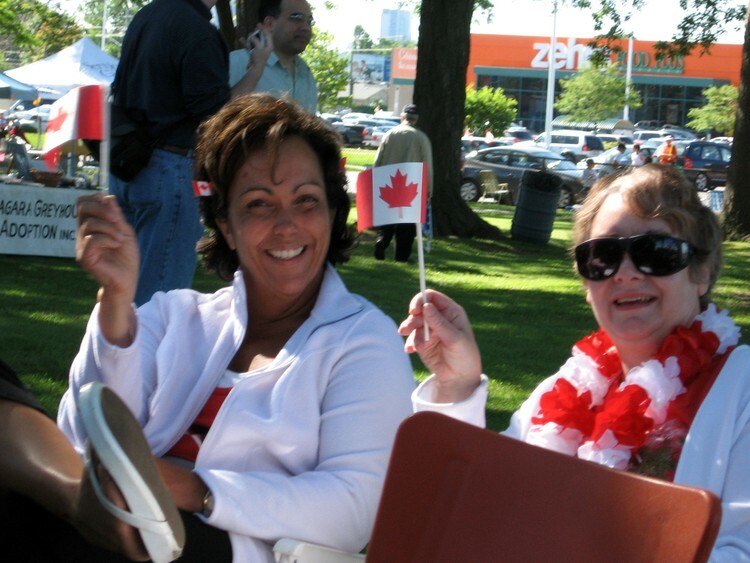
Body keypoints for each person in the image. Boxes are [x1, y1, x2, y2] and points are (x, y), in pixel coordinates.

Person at [2, 94, 415, 562]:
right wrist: (115, 301)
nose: (287, 225)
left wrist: (193, 489)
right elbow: (80, 440)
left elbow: (353, 509)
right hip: (118, 527)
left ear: (332, 212)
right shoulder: (176, 317)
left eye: (306, 201)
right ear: (226, 225)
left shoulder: (363, 342)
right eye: (259, 204)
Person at [400, 164, 750, 559]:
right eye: (603, 257)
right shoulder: (563, 390)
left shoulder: (742, 390)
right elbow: (473, 508)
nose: (626, 273)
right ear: (586, 284)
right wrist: (457, 382)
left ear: (701, 271)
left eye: (656, 252)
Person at [110, 0, 231, 306]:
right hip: (170, 171)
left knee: (122, 297)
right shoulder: (198, 31)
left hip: (129, 167)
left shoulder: (147, 16)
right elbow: (215, 116)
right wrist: (256, 68)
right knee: (159, 304)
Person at [229, 0, 317, 113]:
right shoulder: (236, 62)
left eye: (309, 21)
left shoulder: (306, 73)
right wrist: (254, 71)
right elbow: (216, 117)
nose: (306, 27)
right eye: (296, 18)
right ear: (269, 23)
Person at [373, 104, 434, 262]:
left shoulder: (389, 134)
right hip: (411, 182)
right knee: (407, 224)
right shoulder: (421, 138)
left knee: (387, 219)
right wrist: (428, 189)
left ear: (402, 117)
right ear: (416, 119)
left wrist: (375, 180)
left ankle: (382, 240)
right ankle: (401, 255)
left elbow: (378, 160)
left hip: (388, 180)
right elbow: (427, 166)